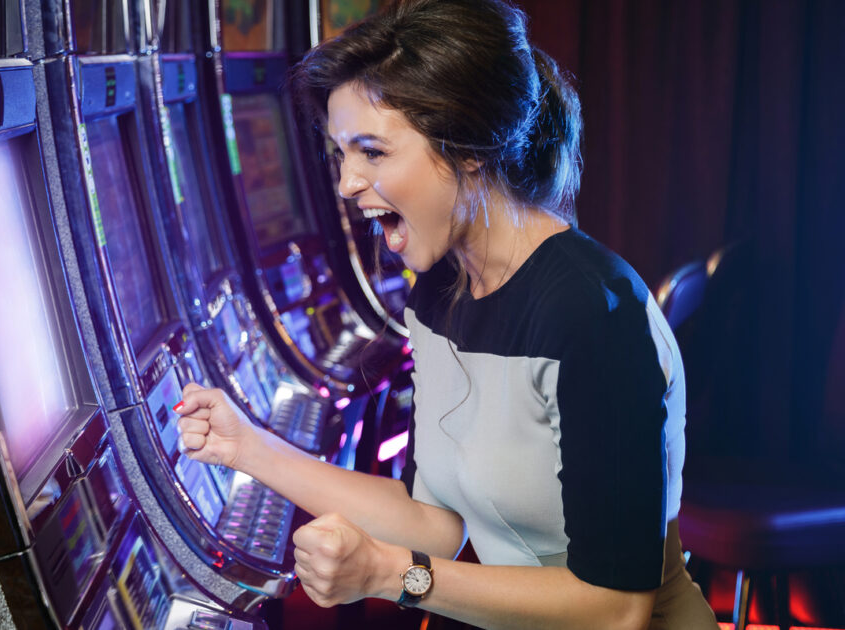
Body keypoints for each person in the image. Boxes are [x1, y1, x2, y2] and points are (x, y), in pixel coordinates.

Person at [174, 1, 718, 627]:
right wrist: (248, 448)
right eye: (340, 155)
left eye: (372, 152)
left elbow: (615, 609)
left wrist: (390, 575)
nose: (347, 182)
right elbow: (432, 522)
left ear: (468, 149)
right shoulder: (438, 289)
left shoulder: (593, 312)